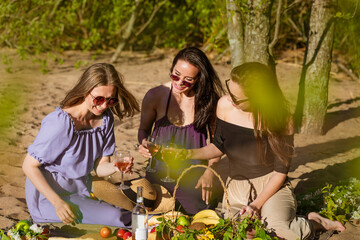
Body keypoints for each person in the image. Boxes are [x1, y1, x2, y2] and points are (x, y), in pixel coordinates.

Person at [168, 62, 345, 239]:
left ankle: (314, 223)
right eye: (230, 90)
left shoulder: (280, 120)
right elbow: (218, 146)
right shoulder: (224, 105)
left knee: (278, 233)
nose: (230, 99)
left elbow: (280, 172)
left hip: (271, 187)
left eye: (237, 98)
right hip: (237, 187)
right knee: (241, 233)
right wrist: (188, 153)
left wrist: (255, 205)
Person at [22, 63, 140, 227]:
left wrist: (115, 166)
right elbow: (29, 166)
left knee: (125, 213)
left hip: (79, 193)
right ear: (85, 90)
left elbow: (100, 167)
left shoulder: (105, 120)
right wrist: (58, 203)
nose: (104, 106)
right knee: (119, 218)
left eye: (111, 100)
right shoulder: (61, 123)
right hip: (49, 198)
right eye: (99, 99)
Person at [137, 47, 224, 214]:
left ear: (199, 79)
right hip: (158, 172)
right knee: (147, 208)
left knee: (194, 211)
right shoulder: (156, 95)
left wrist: (210, 171)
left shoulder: (209, 101)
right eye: (175, 75)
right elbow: (143, 130)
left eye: (188, 79)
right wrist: (143, 143)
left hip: (192, 175)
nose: (179, 83)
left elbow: (217, 144)